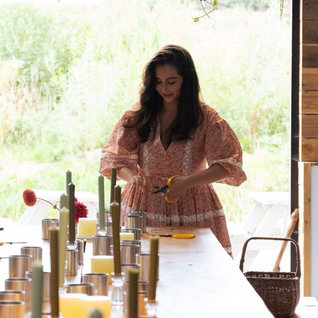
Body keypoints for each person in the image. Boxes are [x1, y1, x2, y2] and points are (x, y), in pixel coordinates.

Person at [99, 45, 246, 255]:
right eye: (158, 82)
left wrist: (188, 182)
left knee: (196, 270)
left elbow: (229, 166)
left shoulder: (206, 119)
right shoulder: (138, 116)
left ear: (187, 80)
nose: (164, 89)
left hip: (194, 205)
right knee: (142, 270)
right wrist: (132, 177)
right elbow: (115, 161)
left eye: (172, 82)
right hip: (142, 204)